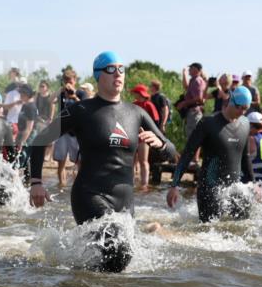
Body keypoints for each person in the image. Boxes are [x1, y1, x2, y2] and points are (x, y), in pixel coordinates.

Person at [28, 51, 176, 272]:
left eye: (121, 69)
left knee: (117, 263)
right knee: (117, 248)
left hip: (125, 200)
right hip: (90, 195)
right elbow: (39, 141)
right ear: (98, 75)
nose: (118, 74)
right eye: (111, 69)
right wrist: (36, 182)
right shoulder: (81, 110)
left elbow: (171, 152)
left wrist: (161, 145)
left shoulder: (136, 113)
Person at [167, 86, 256, 222]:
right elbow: (187, 154)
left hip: (235, 188)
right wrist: (174, 185)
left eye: (246, 108)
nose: (242, 112)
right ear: (230, 101)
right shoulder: (208, 123)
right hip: (210, 188)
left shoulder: (245, 123)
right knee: (208, 233)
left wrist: (253, 184)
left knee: (242, 228)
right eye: (240, 107)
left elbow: (245, 157)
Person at [53, 72, 83, 188]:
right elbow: (50, 101)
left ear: (75, 80)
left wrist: (74, 96)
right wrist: (60, 90)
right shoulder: (61, 93)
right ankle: (62, 185)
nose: (68, 84)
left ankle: (79, 185)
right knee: (61, 161)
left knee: (78, 161)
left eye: (70, 81)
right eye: (66, 81)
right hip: (62, 131)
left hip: (75, 132)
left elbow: (86, 106)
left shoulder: (80, 92)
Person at [131, 83, 159, 190]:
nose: (134, 94)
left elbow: (155, 121)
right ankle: (131, 183)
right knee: (132, 161)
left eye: (135, 92)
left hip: (144, 137)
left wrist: (152, 135)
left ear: (140, 93)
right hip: (133, 136)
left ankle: (144, 184)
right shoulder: (133, 104)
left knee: (143, 161)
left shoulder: (149, 105)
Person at [176, 62, 207, 139]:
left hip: (194, 111)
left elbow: (199, 98)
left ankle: (192, 151)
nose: (189, 69)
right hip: (192, 111)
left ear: (196, 69)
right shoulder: (194, 80)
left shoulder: (197, 81)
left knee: (192, 135)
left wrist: (184, 103)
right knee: (190, 134)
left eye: (191, 68)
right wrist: (184, 74)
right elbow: (186, 87)